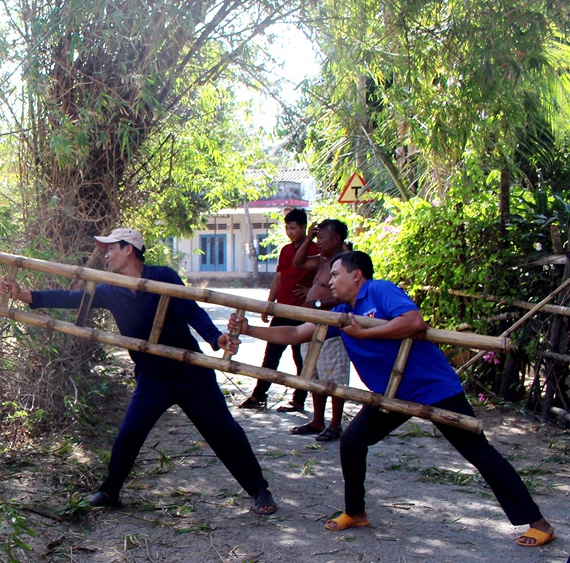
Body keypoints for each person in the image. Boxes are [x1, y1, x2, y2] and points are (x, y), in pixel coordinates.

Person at [228, 251, 556, 547]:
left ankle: (539, 523)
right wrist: (249, 330)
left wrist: (363, 333)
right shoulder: (341, 313)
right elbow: (297, 333)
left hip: (433, 387)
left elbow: (414, 322)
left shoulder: (379, 290)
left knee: (478, 452)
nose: (330, 280)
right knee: (353, 441)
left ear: (357, 275)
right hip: (390, 394)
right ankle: (356, 512)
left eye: (335, 274)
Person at [0, 228, 277, 515]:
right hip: (152, 374)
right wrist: (24, 295)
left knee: (223, 431)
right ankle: (110, 491)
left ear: (128, 249)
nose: (105, 256)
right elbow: (73, 298)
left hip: (190, 368)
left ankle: (259, 489)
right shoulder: (109, 288)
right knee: (130, 432)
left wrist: (215, 338)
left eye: (110, 249)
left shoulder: (163, 277)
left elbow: (190, 310)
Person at [240, 208, 317, 411]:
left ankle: (298, 399)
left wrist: (311, 291)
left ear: (303, 227)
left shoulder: (316, 251)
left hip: (303, 312)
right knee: (271, 354)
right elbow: (279, 277)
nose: (289, 232)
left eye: (293, 228)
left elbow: (324, 277)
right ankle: (258, 395)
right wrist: (269, 303)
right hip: (283, 309)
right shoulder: (285, 251)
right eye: (287, 228)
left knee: (300, 358)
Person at [287, 218, 351, 442]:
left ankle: (335, 423)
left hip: (331, 326)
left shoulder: (345, 262)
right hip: (312, 323)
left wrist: (314, 303)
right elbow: (298, 262)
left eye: (323, 238)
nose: (319, 243)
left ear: (336, 239)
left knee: (333, 376)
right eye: (318, 237)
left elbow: (343, 294)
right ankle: (317, 419)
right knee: (313, 374)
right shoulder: (323, 260)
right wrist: (310, 238)